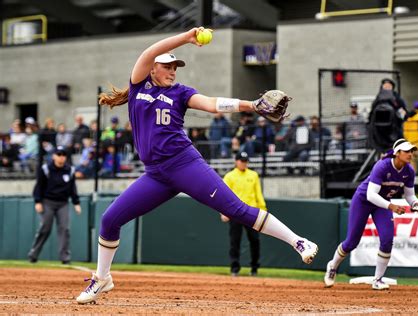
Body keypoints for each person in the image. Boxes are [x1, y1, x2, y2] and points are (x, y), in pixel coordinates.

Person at [76, 27, 318, 304]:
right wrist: (187, 38)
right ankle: (102, 278)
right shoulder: (139, 86)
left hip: (184, 165)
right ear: (153, 68)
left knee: (237, 210)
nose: (172, 71)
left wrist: (251, 104)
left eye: (175, 67)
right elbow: (148, 52)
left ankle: (298, 241)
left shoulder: (181, 93)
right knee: (110, 219)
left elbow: (213, 104)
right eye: (167, 66)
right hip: (156, 175)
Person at [324, 138, 418, 290]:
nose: (410, 154)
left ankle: (378, 280)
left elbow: (409, 196)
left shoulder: (409, 171)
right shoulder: (382, 166)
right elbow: (371, 195)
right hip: (363, 201)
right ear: (397, 153)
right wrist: (391, 206)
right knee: (351, 242)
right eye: (407, 151)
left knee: (387, 239)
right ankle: (333, 265)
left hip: (382, 205)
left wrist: (417, 205)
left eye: (411, 151)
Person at [28, 146, 81, 264]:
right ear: (53, 156)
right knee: (45, 228)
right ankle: (33, 254)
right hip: (48, 202)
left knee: (64, 229)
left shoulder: (70, 170)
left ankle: (65, 257)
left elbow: (73, 189)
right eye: (59, 154)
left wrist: (76, 203)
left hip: (63, 203)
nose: (61, 157)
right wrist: (38, 201)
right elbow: (39, 186)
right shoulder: (46, 169)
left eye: (63, 155)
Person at [220, 152, 266, 276]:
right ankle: (234, 268)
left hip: (252, 212)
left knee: (255, 240)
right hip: (235, 213)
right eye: (241, 161)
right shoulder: (229, 176)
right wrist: (223, 212)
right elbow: (223, 195)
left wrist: (263, 210)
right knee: (235, 241)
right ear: (236, 161)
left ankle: (254, 268)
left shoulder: (253, 175)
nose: (244, 163)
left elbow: (258, 194)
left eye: (245, 161)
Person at [403, 101, 418, 175]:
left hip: (408, 140)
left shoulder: (408, 117)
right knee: (415, 158)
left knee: (409, 158)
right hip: (416, 139)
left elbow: (405, 130)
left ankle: (409, 173)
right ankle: (414, 173)